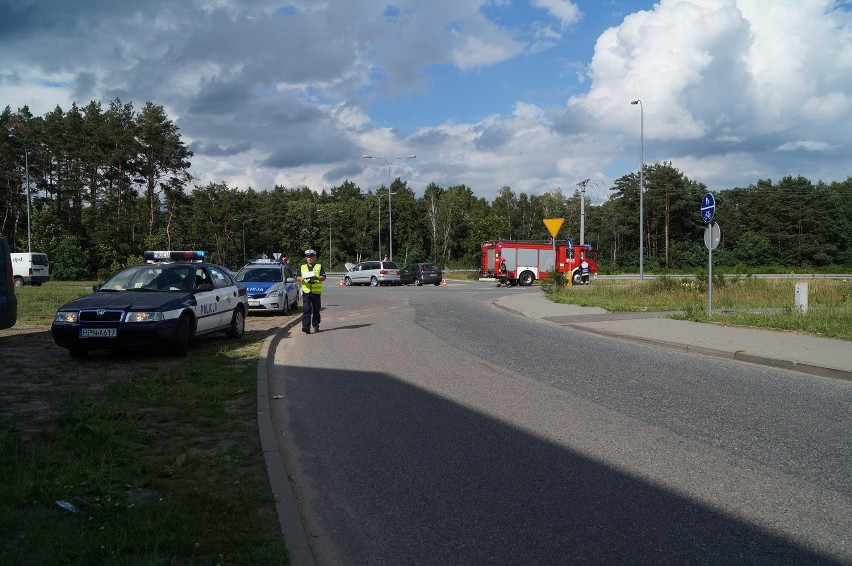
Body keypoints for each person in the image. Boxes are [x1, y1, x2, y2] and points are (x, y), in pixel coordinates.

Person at [296, 249, 326, 334]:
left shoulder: (319, 266)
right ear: (306, 258)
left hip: (316, 292)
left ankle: (316, 325)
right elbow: (297, 277)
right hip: (306, 292)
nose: (310, 258)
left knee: (316, 309)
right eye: (308, 257)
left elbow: (323, 277)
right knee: (306, 309)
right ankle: (306, 327)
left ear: (314, 257)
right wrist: (300, 278)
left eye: (311, 257)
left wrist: (316, 278)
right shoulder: (302, 267)